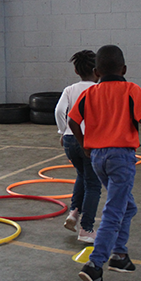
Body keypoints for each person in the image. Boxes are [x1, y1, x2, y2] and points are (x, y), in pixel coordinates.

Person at [68, 45, 141, 281]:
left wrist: (85, 146)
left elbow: (72, 120)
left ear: (97, 71)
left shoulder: (90, 93)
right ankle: (95, 264)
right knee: (114, 210)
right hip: (121, 157)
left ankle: (120, 255)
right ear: (124, 69)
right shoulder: (132, 90)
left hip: (98, 158)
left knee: (128, 206)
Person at [55, 50, 101, 243]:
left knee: (82, 176)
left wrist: (62, 132)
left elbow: (59, 110)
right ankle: (86, 229)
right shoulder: (98, 90)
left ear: (76, 70)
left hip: (70, 140)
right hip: (89, 142)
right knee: (93, 184)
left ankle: (74, 213)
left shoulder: (69, 89)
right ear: (97, 71)